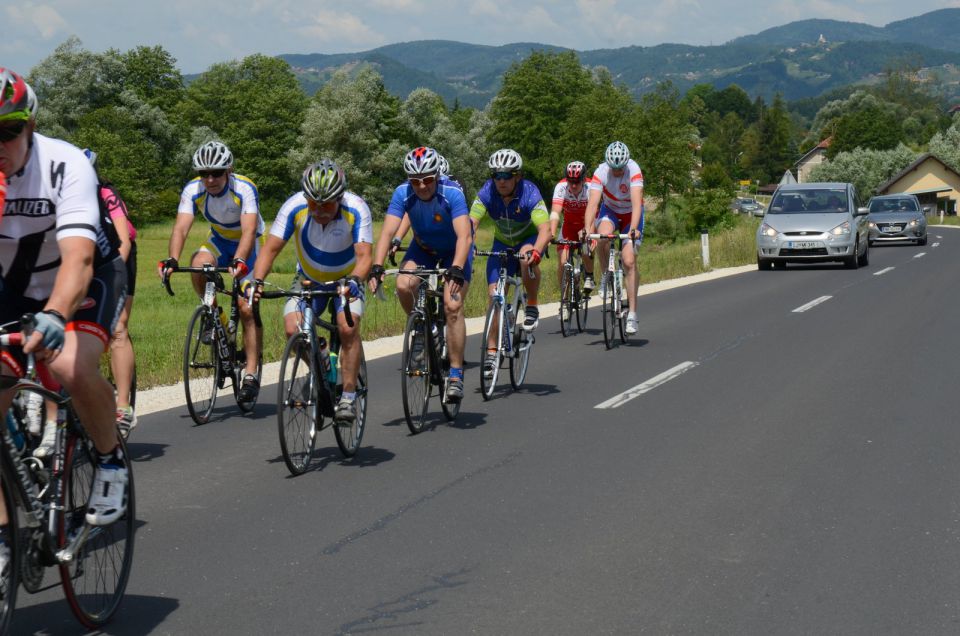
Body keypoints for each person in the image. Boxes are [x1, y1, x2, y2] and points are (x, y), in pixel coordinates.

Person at [0, 68, 129, 533]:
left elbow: (79, 260)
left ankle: (110, 459)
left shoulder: (65, 163)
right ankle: (4, 540)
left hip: (84, 280)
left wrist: (55, 314)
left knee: (69, 366)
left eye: (7, 131)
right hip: (12, 288)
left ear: (30, 127)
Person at [250, 160, 372, 422]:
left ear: (340, 197)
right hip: (308, 278)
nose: (319, 210)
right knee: (292, 329)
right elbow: (270, 249)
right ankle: (320, 365)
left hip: (345, 280)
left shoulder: (357, 208)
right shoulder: (294, 207)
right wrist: (257, 282)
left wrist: (353, 281)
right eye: (313, 203)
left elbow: (364, 258)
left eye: (326, 204)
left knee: (347, 328)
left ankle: (348, 396)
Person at [158, 141, 264, 403]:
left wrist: (239, 260)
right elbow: (181, 227)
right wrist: (172, 259)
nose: (210, 179)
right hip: (219, 239)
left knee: (247, 307)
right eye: (204, 174)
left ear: (228, 170)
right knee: (198, 263)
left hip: (247, 244)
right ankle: (213, 315)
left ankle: (251, 373)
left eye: (216, 172)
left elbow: (249, 230)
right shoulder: (193, 190)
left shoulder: (244, 188)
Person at [368, 146, 473, 403]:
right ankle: (423, 330)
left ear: (436, 175)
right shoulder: (402, 194)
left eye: (427, 179)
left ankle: (457, 374)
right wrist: (377, 265)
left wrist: (457, 267)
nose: (422, 186)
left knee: (452, 305)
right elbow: (386, 231)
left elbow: (465, 236)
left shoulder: (452, 193)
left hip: (454, 252)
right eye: (415, 181)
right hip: (423, 248)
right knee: (404, 284)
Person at [469, 149, 550, 379]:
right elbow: (471, 221)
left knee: (526, 258)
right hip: (502, 243)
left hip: (528, 240)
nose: (501, 181)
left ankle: (531, 303)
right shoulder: (487, 191)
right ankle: (492, 352)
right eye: (497, 175)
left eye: (506, 175)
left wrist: (537, 250)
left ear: (518, 176)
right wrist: (469, 242)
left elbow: (545, 229)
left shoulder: (530, 193)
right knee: (494, 297)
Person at [85, 148, 139, 438]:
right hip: (85, 259)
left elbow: (123, 244)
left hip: (119, 258)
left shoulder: (106, 193)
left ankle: (123, 406)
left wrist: (112, 278)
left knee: (118, 327)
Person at [582, 141, 645, 336]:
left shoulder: (634, 170)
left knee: (628, 260)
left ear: (625, 164)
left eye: (620, 169)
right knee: (602, 236)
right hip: (609, 210)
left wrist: (633, 229)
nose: (617, 172)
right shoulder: (601, 171)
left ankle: (632, 314)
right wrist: (586, 229)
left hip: (630, 215)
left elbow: (636, 204)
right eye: (613, 169)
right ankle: (605, 276)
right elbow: (592, 205)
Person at [550, 161, 595, 318]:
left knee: (585, 247)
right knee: (563, 263)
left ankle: (589, 275)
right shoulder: (561, 187)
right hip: (568, 226)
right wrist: (551, 232)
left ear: (583, 179)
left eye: (577, 182)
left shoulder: (591, 187)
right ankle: (563, 303)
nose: (573, 185)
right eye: (571, 181)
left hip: (587, 224)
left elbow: (595, 210)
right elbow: (556, 211)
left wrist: (588, 229)